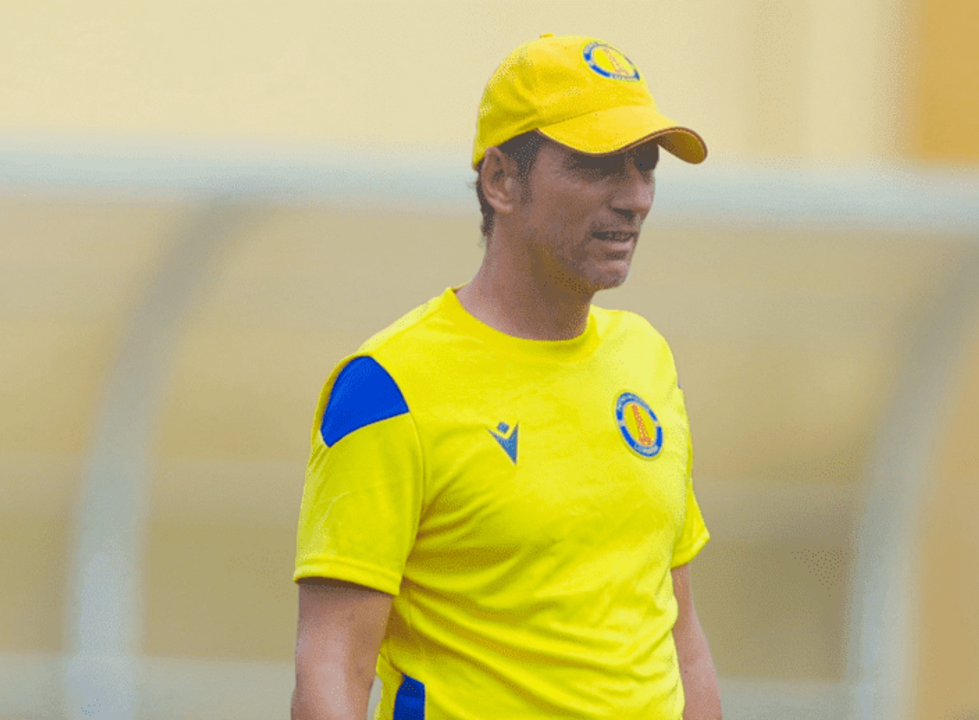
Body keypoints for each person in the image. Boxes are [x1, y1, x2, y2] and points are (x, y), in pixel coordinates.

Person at [291, 33, 720, 720]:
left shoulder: (646, 358)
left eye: (644, 166)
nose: (635, 197)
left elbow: (681, 636)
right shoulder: (388, 384)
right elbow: (332, 666)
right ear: (501, 181)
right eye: (597, 165)